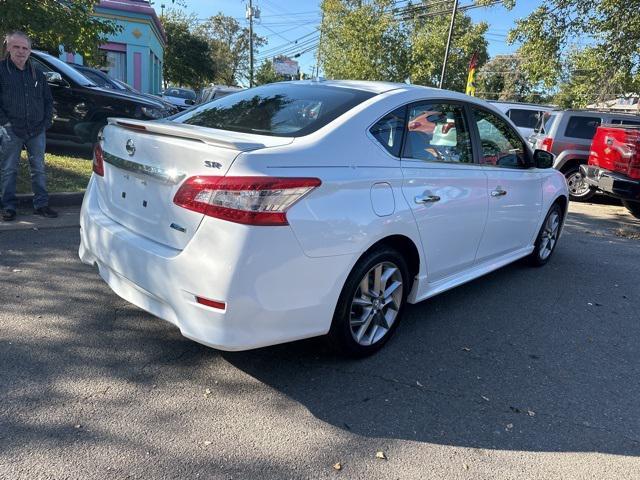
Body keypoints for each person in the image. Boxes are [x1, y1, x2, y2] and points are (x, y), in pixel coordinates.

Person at [0, 31, 57, 221]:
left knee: (38, 168)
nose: (21, 51)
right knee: (9, 169)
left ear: (30, 51)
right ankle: (8, 207)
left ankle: (41, 205)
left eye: (25, 48)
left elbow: (48, 101)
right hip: (11, 130)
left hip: (36, 130)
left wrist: (46, 122)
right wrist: (5, 123)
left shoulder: (37, 74)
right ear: (8, 47)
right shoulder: (1, 70)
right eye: (16, 47)